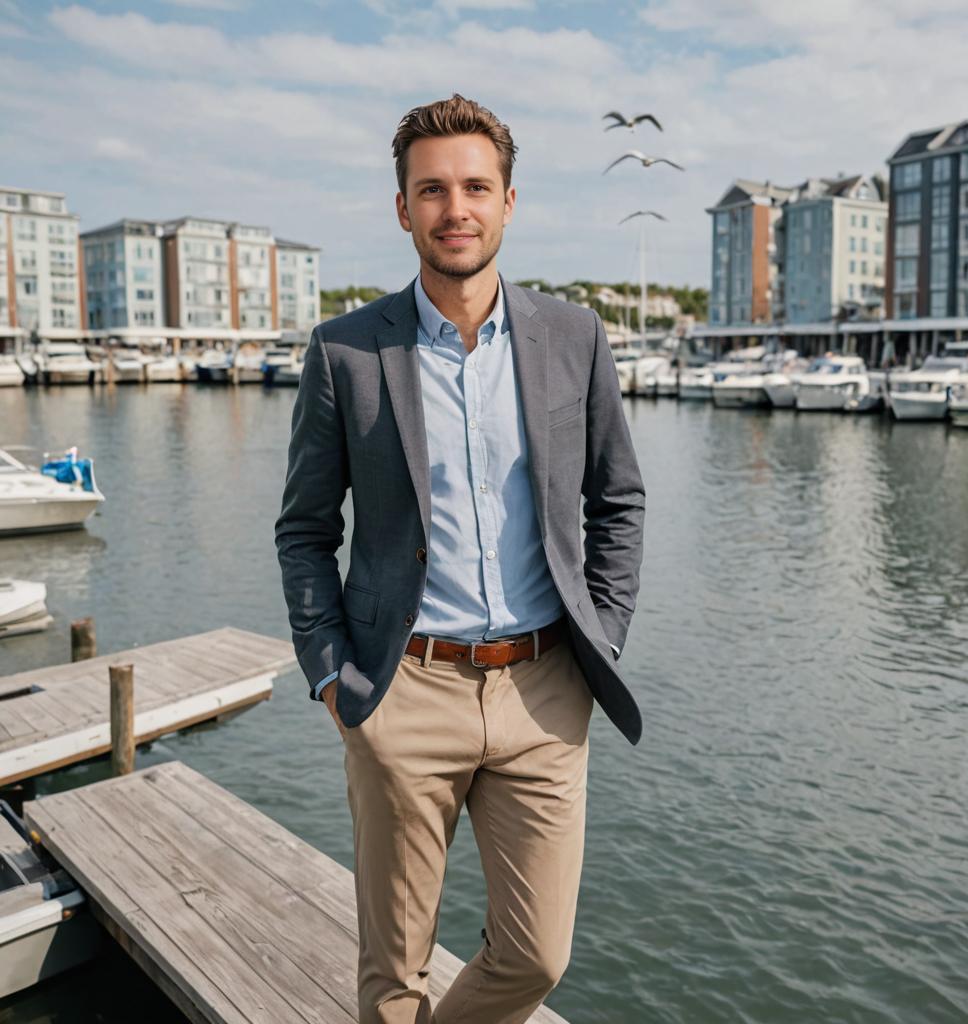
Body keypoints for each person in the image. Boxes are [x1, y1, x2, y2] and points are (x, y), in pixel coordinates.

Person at [275, 93, 645, 1024]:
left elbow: (620, 500)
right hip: (404, 687)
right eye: (432, 190)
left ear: (509, 202)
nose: (456, 209)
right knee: (393, 975)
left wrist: (602, 631)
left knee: (536, 955)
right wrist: (331, 674)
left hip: (544, 690)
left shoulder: (574, 337)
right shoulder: (345, 352)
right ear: (403, 208)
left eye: (476, 186)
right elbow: (304, 530)